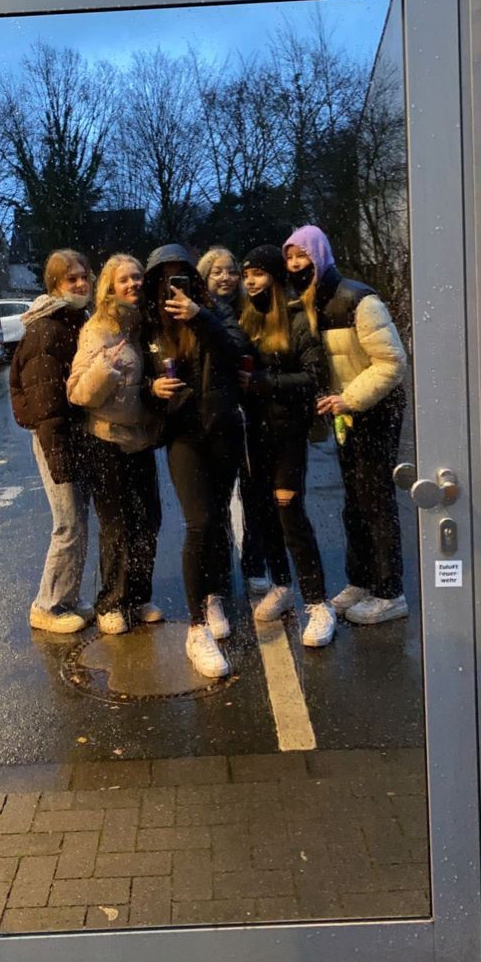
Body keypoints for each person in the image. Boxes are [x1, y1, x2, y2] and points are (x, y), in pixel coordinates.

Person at [283, 225, 408, 625]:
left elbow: (392, 362)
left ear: (319, 254)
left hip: (374, 411)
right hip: (346, 414)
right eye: (289, 257)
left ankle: (390, 592)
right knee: (354, 502)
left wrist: (349, 398)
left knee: (376, 502)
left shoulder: (359, 299)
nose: (295, 263)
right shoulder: (308, 303)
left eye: (302, 254)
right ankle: (362, 580)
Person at [142, 244, 246, 679]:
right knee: (199, 522)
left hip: (222, 429)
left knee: (219, 515)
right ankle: (196, 627)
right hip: (183, 434)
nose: (173, 286)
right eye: (165, 278)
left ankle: (215, 594)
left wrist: (198, 315)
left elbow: (235, 348)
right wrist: (151, 388)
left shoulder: (212, 311)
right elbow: (135, 373)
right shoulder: (148, 322)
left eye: (180, 276)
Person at [239, 245, 336, 647]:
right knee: (263, 515)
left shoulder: (297, 320)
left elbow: (314, 378)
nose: (250, 282)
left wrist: (265, 383)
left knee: (289, 512)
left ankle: (318, 603)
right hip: (253, 436)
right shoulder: (245, 321)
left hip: (288, 435)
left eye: (258, 274)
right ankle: (282, 584)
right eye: (247, 275)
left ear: (275, 279)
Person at [67, 255, 163, 635]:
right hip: (105, 440)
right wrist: (105, 369)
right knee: (117, 526)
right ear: (110, 286)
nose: (133, 284)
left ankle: (139, 597)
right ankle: (111, 602)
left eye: (138, 277)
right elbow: (77, 393)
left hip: (139, 438)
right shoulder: (96, 329)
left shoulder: (141, 326)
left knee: (149, 521)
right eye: (124, 279)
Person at [197, 246, 290, 598]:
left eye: (231, 270)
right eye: (217, 271)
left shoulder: (253, 308)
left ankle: (255, 563)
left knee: (256, 493)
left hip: (254, 411)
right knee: (214, 499)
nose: (227, 277)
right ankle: (217, 573)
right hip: (216, 415)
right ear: (204, 277)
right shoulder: (199, 312)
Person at [10, 249, 94, 633]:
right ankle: (47, 605)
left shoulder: (76, 321)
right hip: (55, 439)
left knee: (78, 522)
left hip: (73, 435)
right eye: (70, 279)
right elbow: (47, 406)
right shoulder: (47, 329)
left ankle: (68, 598)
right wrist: (58, 460)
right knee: (68, 524)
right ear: (55, 286)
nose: (80, 284)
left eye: (83, 276)